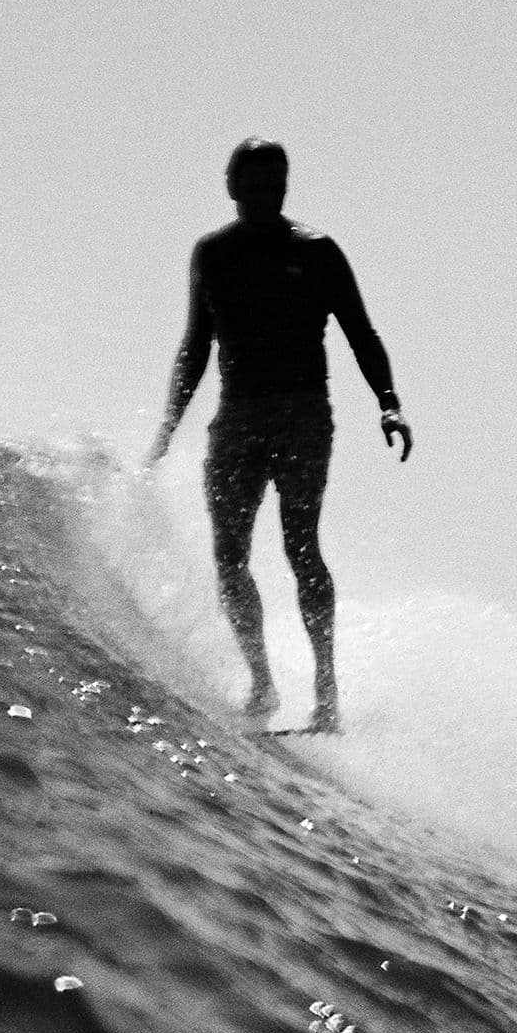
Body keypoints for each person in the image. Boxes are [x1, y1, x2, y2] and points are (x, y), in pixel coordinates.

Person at [146, 138, 411, 732]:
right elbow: (196, 344)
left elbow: (361, 333)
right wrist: (169, 424)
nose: (266, 195)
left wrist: (389, 404)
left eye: (276, 185)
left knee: (300, 546)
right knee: (229, 555)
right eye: (255, 184)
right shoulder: (213, 253)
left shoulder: (316, 251)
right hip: (237, 415)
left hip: (302, 413)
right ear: (231, 185)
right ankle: (262, 685)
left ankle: (326, 695)